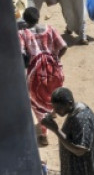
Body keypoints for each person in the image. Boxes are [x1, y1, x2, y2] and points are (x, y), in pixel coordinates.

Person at [19, 7, 67, 146]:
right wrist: (55, 59)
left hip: (36, 76)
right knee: (53, 94)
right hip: (54, 71)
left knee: (37, 103)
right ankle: (53, 111)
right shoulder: (50, 28)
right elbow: (64, 46)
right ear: (38, 17)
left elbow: (21, 54)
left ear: (25, 20)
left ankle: (44, 134)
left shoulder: (23, 34)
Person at [41, 87, 94, 175]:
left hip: (84, 168)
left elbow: (80, 150)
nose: (55, 111)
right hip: (76, 166)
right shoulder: (74, 111)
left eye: (58, 108)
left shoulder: (82, 119)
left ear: (69, 104)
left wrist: (56, 130)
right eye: (54, 108)